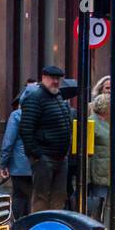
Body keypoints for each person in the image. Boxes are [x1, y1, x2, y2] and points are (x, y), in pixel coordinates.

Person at [19, 64, 73, 213]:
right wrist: (37, 155)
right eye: (52, 78)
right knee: (41, 198)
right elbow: (26, 129)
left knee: (59, 196)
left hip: (60, 157)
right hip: (45, 157)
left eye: (58, 78)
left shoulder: (57, 96)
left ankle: (54, 227)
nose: (55, 81)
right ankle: (40, 229)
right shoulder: (35, 98)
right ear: (43, 78)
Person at [0, 92, 33, 222]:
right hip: (39, 163)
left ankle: (19, 226)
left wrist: (3, 163)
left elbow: (8, 141)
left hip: (20, 165)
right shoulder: (42, 114)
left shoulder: (17, 115)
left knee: (19, 196)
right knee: (34, 197)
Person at [88, 93, 111, 222]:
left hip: (108, 170)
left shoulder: (109, 122)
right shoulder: (91, 122)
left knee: (108, 205)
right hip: (98, 171)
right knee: (98, 203)